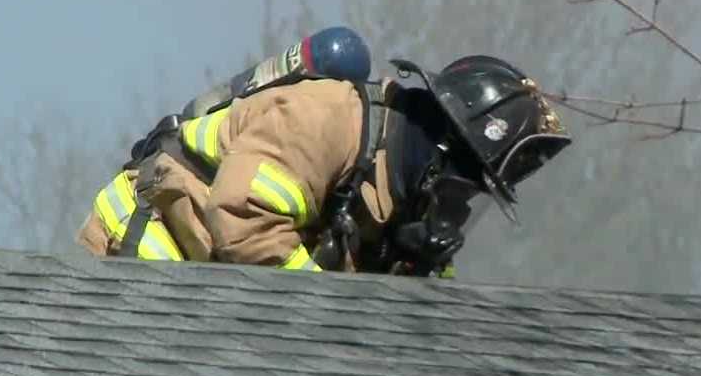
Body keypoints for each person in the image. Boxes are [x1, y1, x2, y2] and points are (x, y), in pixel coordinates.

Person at [75, 36, 571, 277]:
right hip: (148, 256)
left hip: (214, 291)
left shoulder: (402, 189)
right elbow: (243, 221)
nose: (459, 211)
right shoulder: (324, 118)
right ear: (440, 155)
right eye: (464, 190)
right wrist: (333, 308)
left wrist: (416, 266)